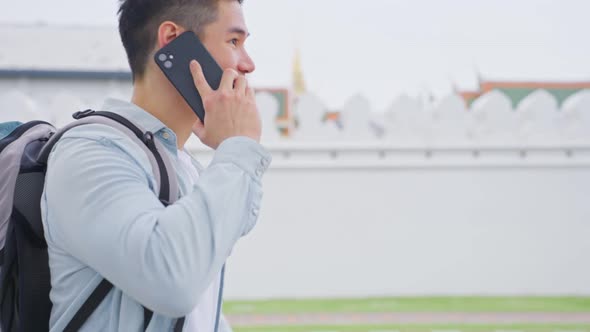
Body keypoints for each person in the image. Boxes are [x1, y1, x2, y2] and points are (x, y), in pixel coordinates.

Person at [40, 0, 271, 330]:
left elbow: (199, 317)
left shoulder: (185, 166)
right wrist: (238, 149)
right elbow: (172, 280)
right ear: (173, 40)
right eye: (233, 41)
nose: (247, 64)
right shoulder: (90, 152)